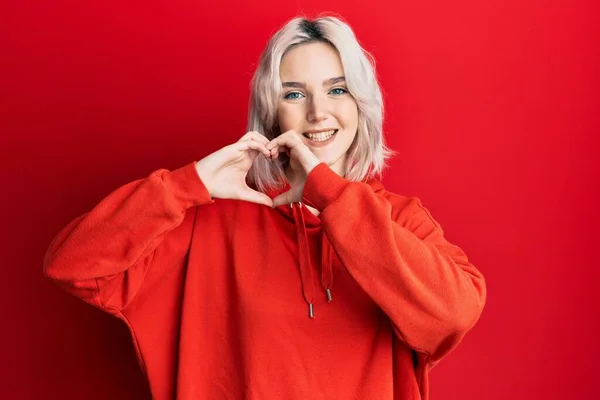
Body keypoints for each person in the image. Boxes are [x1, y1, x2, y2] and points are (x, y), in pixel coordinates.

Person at [43, 14, 487, 400]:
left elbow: (454, 313)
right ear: (271, 112)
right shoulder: (206, 222)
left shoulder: (400, 219)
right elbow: (73, 265)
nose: (317, 112)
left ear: (362, 104)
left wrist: (330, 196)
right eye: (294, 94)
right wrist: (185, 185)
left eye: (337, 90)